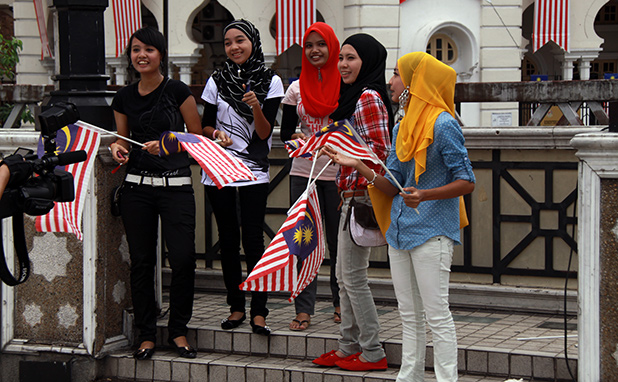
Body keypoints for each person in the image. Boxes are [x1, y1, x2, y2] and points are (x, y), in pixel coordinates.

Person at [325, 52, 476, 381]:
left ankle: (446, 379)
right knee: (409, 314)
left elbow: (467, 181)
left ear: (414, 82)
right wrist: (358, 165)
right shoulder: (402, 125)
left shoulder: (444, 123)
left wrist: (425, 194)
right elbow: (391, 186)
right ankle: (409, 376)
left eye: (397, 75)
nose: (391, 82)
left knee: (437, 314)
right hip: (400, 231)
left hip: (433, 232)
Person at [110, 27, 202, 360]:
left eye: (148, 49)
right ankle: (146, 334)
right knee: (142, 263)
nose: (142, 55)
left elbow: (196, 137)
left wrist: (168, 143)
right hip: (136, 188)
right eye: (136, 50)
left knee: (182, 260)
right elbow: (122, 138)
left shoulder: (177, 90)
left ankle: (178, 330)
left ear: (160, 54)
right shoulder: (122, 97)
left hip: (176, 186)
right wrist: (118, 146)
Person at [312, 33, 392, 372]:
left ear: (368, 61)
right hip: (350, 194)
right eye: (341, 58)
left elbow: (380, 153)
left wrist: (347, 157)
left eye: (351, 58)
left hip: (362, 196)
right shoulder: (352, 96)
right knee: (345, 278)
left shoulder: (368, 97)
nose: (343, 65)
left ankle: (372, 351)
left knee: (353, 278)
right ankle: (347, 347)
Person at [200, 19, 284, 336]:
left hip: (252, 171)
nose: (234, 47)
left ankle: (259, 311)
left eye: (240, 40)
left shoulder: (271, 81)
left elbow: (263, 134)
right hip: (219, 170)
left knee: (252, 240)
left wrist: (256, 107)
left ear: (253, 42)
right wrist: (215, 132)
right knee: (228, 240)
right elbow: (204, 127)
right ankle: (236, 307)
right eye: (228, 42)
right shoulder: (216, 81)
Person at [280, 22, 341, 331]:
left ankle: (341, 303)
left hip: (338, 176)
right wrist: (299, 141)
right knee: (304, 241)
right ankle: (304, 308)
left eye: (321, 44)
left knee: (338, 242)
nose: (315, 50)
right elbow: (285, 134)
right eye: (309, 45)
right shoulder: (295, 89)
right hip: (303, 175)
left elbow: (352, 131)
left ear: (332, 47)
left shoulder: (345, 85)